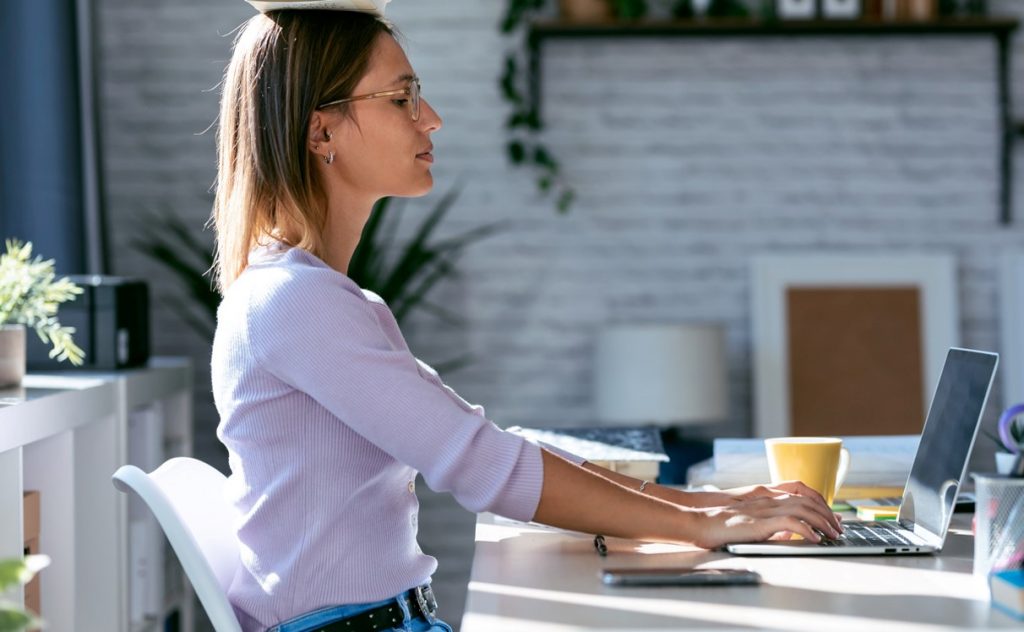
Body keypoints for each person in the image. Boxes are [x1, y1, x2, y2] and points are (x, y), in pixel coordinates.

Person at [209, 6, 843, 632]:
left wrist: (711, 505)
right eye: (402, 98)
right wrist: (702, 524)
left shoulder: (324, 301)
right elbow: (482, 464)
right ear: (322, 133)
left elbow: (486, 444)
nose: (431, 118)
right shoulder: (295, 303)